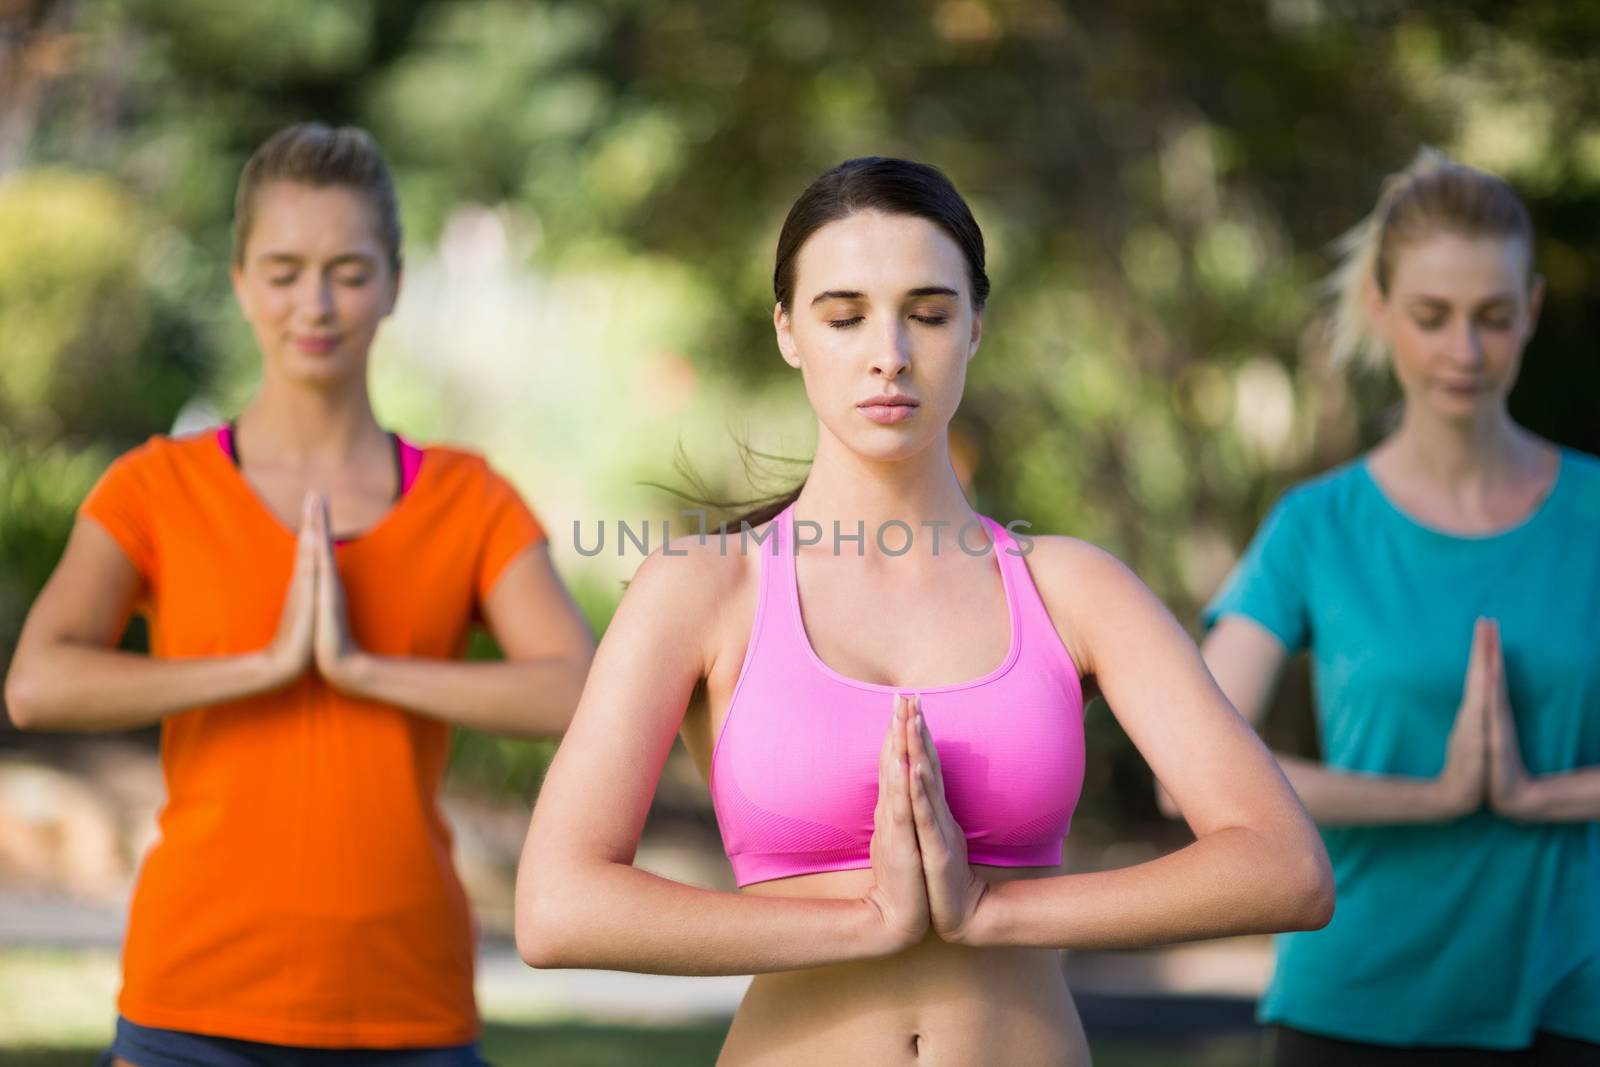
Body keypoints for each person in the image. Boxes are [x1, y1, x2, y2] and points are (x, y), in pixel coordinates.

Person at [515, 156, 1332, 1065]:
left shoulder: (1074, 588)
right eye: (844, 314)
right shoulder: (705, 590)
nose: (889, 354)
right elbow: (557, 907)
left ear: (976, 326)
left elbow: (1285, 868)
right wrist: (865, 922)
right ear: (788, 330)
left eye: (929, 313)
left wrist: (991, 909)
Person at [4, 122, 597, 1067]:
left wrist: (363, 670)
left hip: (408, 1001)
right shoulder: (155, 487)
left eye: (348, 271)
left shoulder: (468, 495)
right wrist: (262, 667)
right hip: (191, 1000)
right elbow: (37, 684)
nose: (313, 304)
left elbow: (578, 689)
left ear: (395, 283)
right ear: (241, 282)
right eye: (283, 270)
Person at [1181, 149, 1600, 1064]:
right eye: (1433, 317)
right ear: (1379, 309)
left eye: (1493, 317)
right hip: (1353, 1011)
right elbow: (1192, 774)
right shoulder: (1314, 528)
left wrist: (1541, 794)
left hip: (1573, 1005)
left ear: (1531, 309)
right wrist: (1431, 798)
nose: (1466, 351)